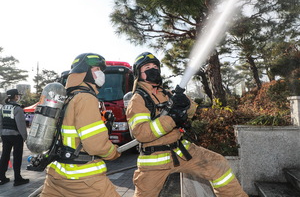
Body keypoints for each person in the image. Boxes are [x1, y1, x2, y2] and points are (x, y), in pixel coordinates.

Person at [126, 52, 249, 197]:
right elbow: (142, 134)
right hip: (154, 159)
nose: (153, 69)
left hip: (181, 150)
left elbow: (191, 112)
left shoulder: (167, 93)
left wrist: (185, 104)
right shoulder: (137, 100)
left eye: (155, 66)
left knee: (218, 165)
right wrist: (172, 118)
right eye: (147, 67)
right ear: (138, 73)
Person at [40, 53, 121, 197]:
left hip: (56, 176)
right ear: (86, 72)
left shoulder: (65, 98)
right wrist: (113, 152)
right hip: (84, 179)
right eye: (97, 69)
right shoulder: (85, 98)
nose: (101, 73)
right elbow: (95, 145)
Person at [0, 89, 29, 186]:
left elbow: (1, 122)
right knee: (17, 157)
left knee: (4, 156)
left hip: (5, 135)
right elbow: (21, 125)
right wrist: (25, 137)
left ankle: (2, 178)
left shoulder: (3, 107)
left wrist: (1, 134)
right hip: (16, 136)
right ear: (16, 96)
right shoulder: (17, 108)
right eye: (18, 95)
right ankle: (17, 179)